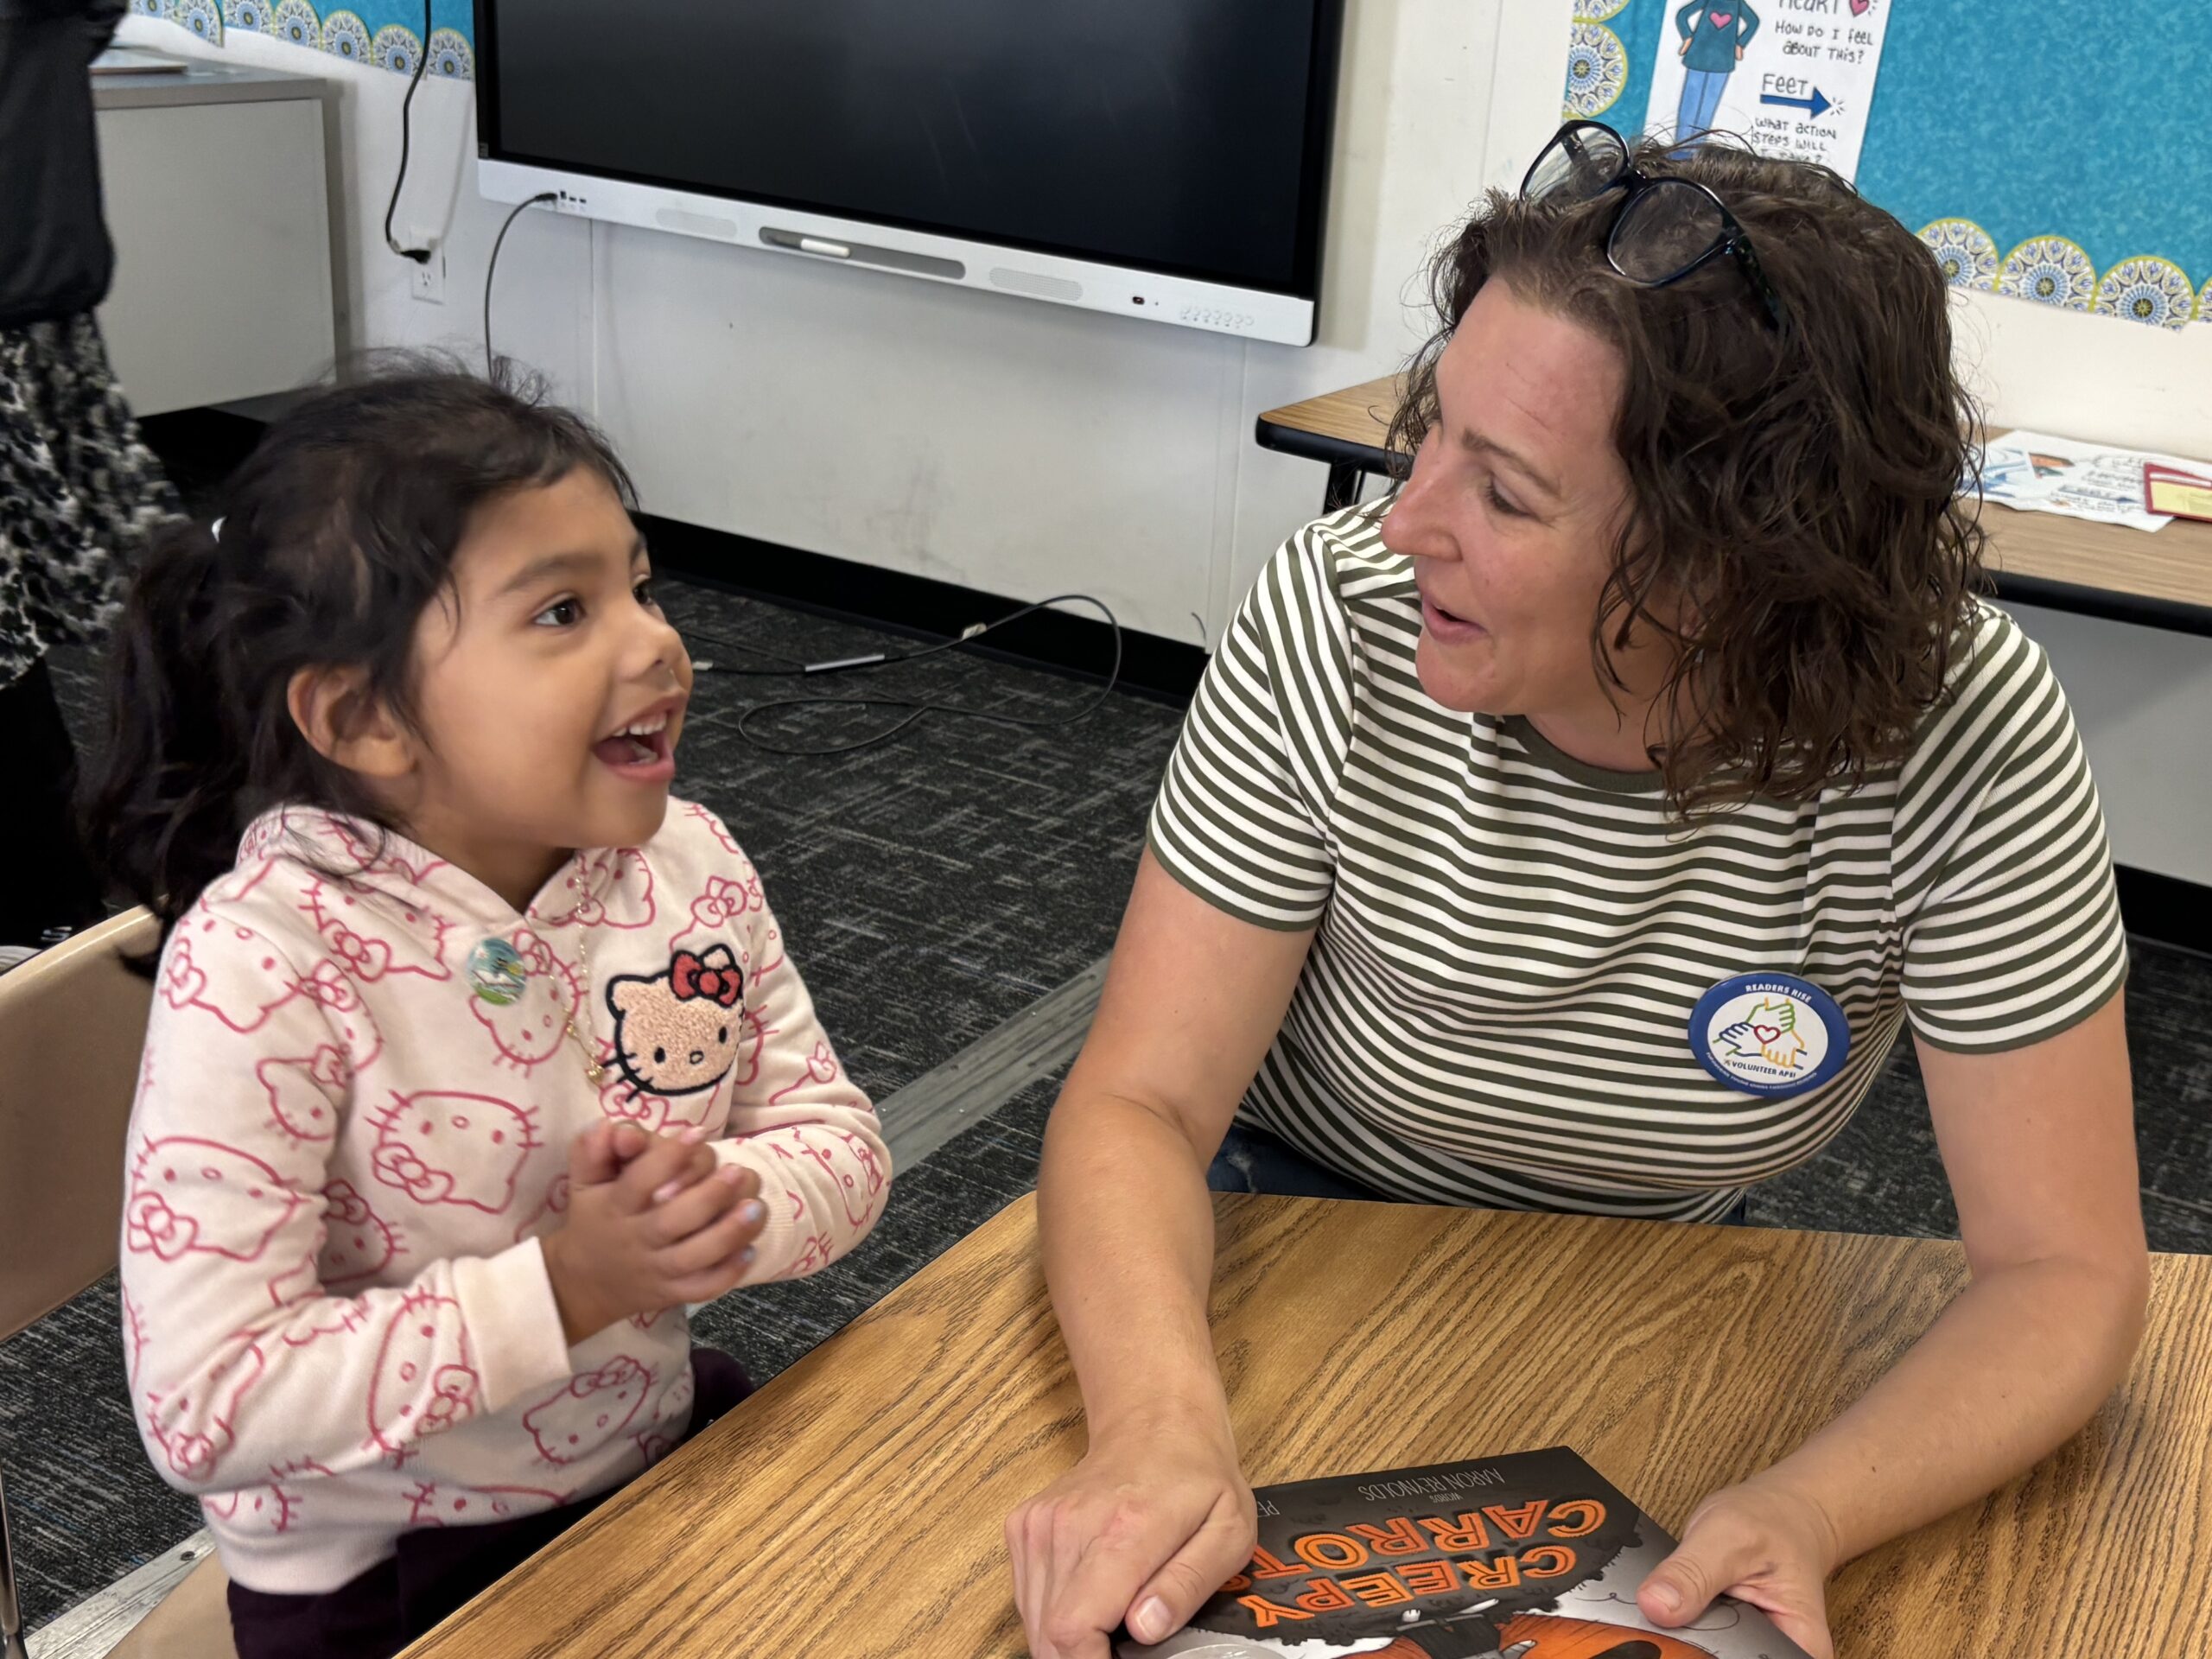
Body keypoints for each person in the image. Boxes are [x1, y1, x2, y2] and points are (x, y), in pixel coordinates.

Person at [1007, 124, 2144, 1659]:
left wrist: (1814, 1507)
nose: (1406, 524)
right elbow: (1137, 1105)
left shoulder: (1968, 733)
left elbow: (2065, 1273)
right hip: (1276, 1226)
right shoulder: (1340, 621)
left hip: (1664, 1261)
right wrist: (1155, 1428)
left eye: (1509, 494)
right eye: (1433, 434)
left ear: (1737, 562)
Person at [81, 367, 893, 1659]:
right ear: (365, 716)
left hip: (650, 1456)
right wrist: (568, 1286)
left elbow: (837, 1140)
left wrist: (718, 1205)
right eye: (564, 610)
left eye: (642, 584)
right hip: (388, 1576)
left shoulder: (688, 864)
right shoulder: (263, 966)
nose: (654, 644)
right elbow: (207, 1409)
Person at [0, 0, 176, 960]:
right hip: (29, 306)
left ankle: (64, 921)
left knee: (161, 617)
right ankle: (53, 924)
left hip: (31, 319)